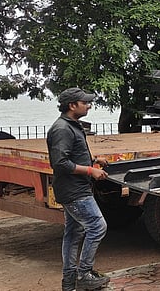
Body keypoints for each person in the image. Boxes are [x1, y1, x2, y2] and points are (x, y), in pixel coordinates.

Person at [47, 87, 111, 291]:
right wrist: (90, 170)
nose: (89, 105)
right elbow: (60, 163)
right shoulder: (62, 129)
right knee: (97, 227)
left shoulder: (72, 125)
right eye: (85, 103)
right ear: (72, 105)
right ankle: (84, 274)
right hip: (74, 191)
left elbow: (74, 153)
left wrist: (94, 159)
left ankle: (69, 282)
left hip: (74, 188)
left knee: (73, 234)